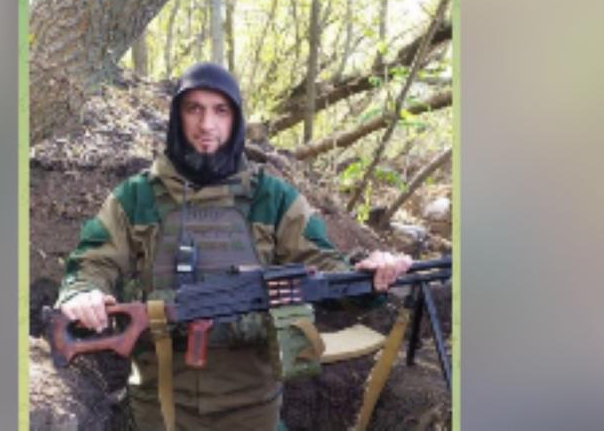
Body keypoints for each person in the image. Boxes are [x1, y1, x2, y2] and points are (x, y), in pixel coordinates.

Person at [56, 62, 412, 431]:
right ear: (177, 117)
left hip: (253, 408)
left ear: (236, 118)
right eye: (194, 109)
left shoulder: (272, 198)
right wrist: (83, 292)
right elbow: (93, 260)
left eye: (220, 110)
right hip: (159, 405)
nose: (206, 124)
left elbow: (324, 268)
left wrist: (369, 275)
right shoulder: (136, 197)